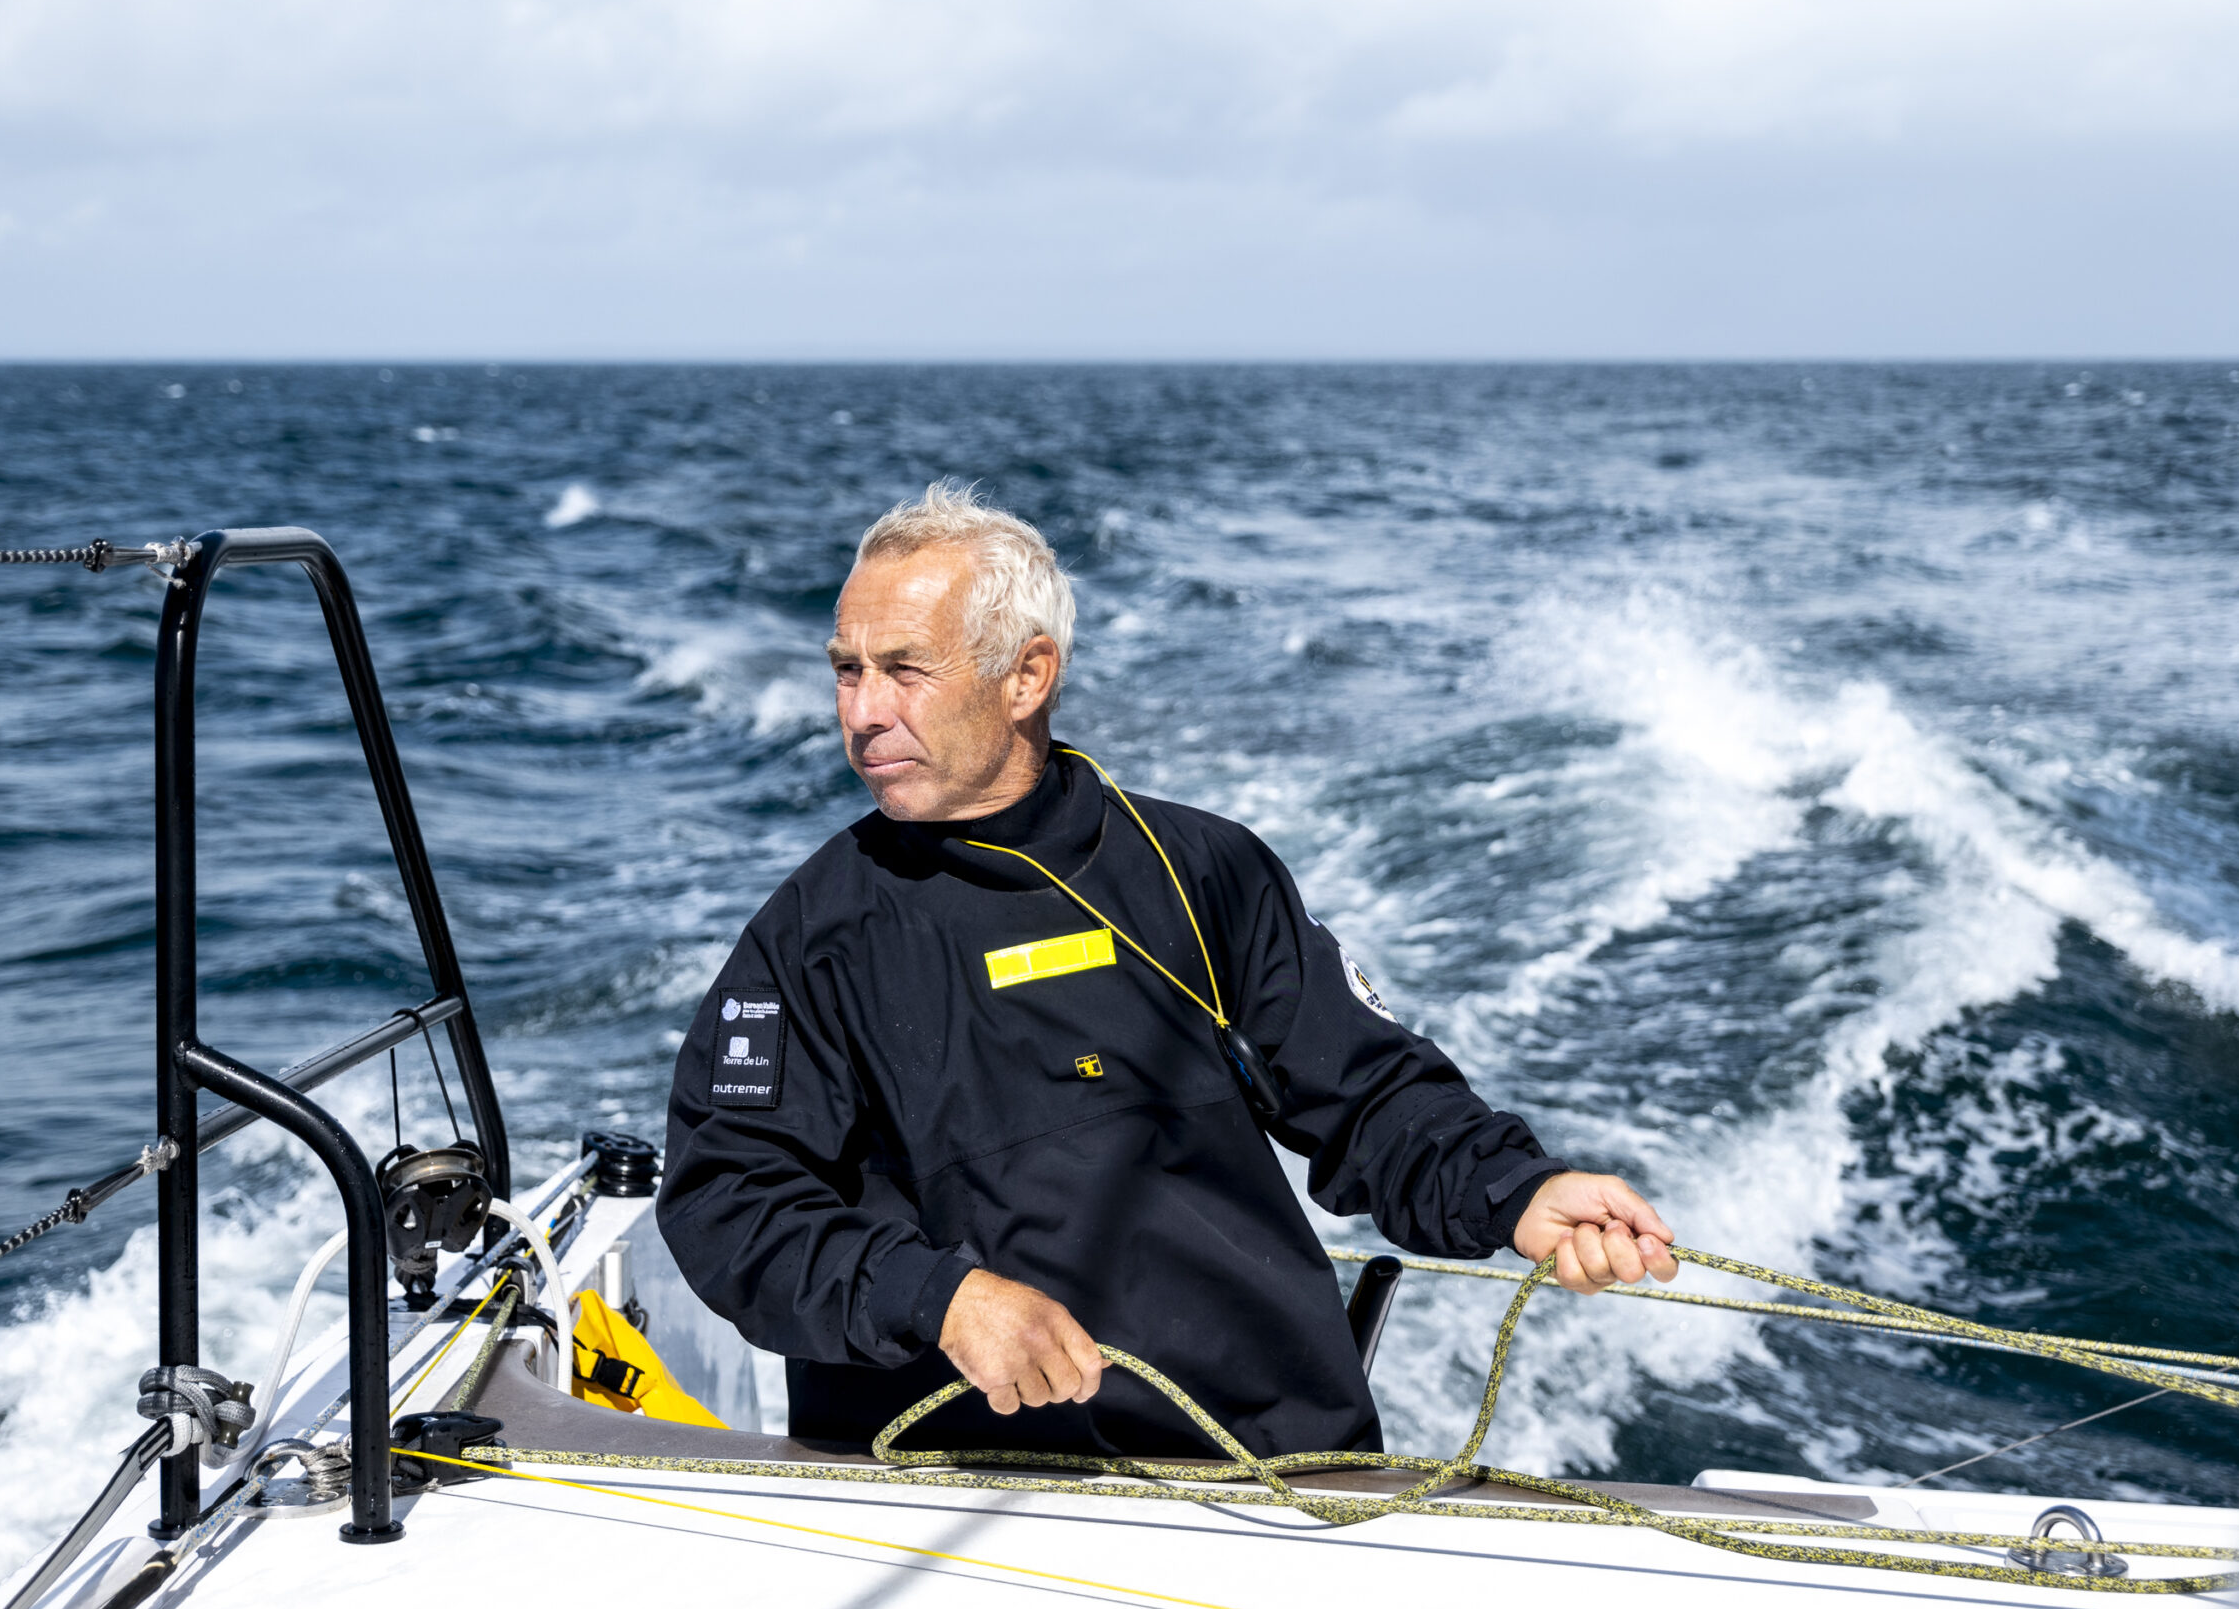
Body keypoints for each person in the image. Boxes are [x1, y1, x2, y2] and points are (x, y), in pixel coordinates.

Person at [658, 482, 1676, 1459]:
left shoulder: (1202, 873)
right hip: (956, 1480)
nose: (864, 710)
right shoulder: (809, 937)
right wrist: (940, 1299)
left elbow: (1369, 1098)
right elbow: (728, 1202)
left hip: (1261, 1463)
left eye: (904, 669)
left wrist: (1516, 1192)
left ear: (1027, 677)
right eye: (847, 670)